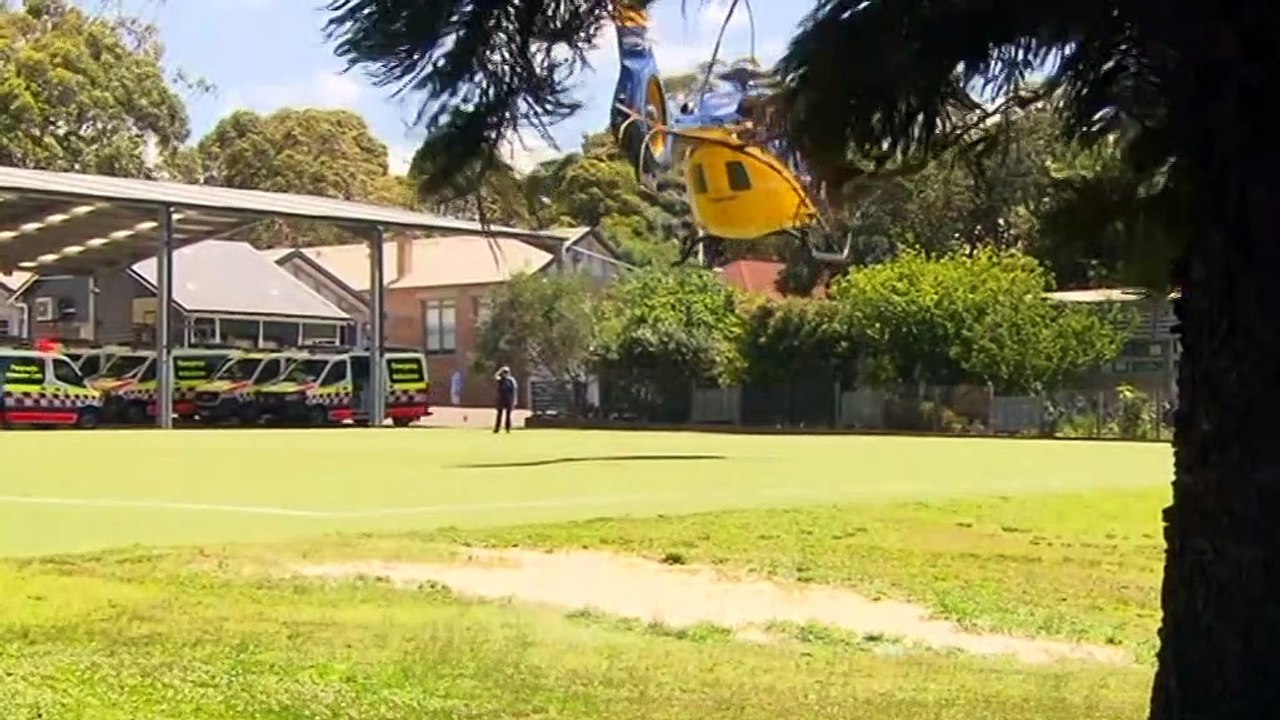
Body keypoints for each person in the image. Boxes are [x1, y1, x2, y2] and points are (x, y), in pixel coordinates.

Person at [493, 366, 517, 433]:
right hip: (502, 399)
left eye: (506, 373)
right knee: (499, 415)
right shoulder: (501, 380)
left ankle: (507, 428)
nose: (505, 374)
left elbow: (514, 391)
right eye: (504, 373)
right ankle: (497, 428)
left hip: (508, 399)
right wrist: (499, 371)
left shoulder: (511, 381)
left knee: (508, 415)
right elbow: (495, 377)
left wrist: (514, 400)